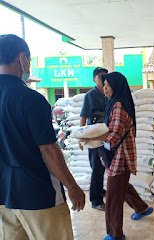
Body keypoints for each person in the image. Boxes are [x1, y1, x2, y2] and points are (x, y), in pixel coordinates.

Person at [0, 34, 85, 240]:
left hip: (3, 195)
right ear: (22, 58)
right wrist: (72, 187)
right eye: (28, 59)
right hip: (38, 195)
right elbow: (48, 150)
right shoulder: (30, 99)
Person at [80, 72, 153, 240]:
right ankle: (142, 208)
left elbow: (114, 135)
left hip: (120, 156)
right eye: (103, 84)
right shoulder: (115, 102)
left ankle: (115, 234)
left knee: (113, 196)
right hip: (118, 154)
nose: (104, 88)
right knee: (121, 186)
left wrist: (90, 137)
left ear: (116, 86)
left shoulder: (119, 104)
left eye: (107, 85)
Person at [80, 67, 109, 211]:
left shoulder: (109, 92)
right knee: (97, 167)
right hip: (95, 135)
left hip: (108, 134)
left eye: (105, 76)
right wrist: (82, 136)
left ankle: (100, 190)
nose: (103, 79)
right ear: (94, 79)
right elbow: (83, 116)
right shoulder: (90, 95)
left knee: (105, 164)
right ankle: (95, 200)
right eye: (100, 76)